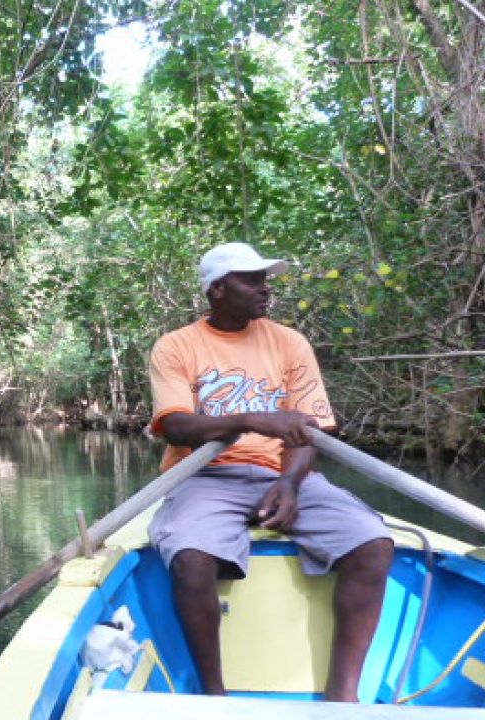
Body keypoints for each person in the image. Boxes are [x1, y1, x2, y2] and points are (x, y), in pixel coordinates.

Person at [146, 242, 394, 702]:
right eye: (252, 280)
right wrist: (251, 419)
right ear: (218, 289)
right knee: (191, 561)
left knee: (373, 545)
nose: (266, 289)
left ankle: (343, 697)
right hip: (206, 477)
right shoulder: (176, 346)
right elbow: (176, 427)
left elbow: (308, 431)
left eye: (266, 279)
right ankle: (214, 696)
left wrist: (289, 483)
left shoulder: (289, 343)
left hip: (286, 474)